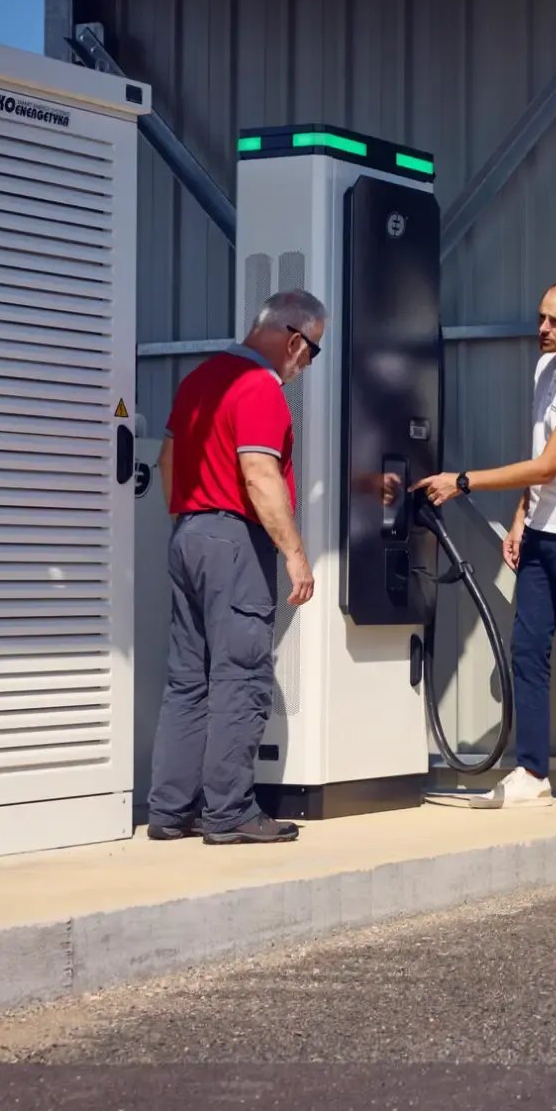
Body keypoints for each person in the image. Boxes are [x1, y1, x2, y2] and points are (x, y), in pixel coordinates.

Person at [416, 280, 556, 813]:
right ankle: (533, 773)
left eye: (555, 321)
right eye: (541, 318)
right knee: (528, 648)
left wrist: (462, 482)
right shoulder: (545, 369)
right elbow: (538, 457)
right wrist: (519, 520)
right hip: (541, 529)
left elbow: (548, 466)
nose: (543, 329)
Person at [147, 289, 326, 845]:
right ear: (294, 340)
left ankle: (170, 810)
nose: (307, 364)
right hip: (233, 540)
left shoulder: (200, 379)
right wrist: (295, 553)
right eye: (313, 350)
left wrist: (190, 522)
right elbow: (259, 474)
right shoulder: (258, 386)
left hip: (189, 532)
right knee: (241, 676)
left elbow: (168, 460)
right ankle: (230, 812)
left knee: (187, 679)